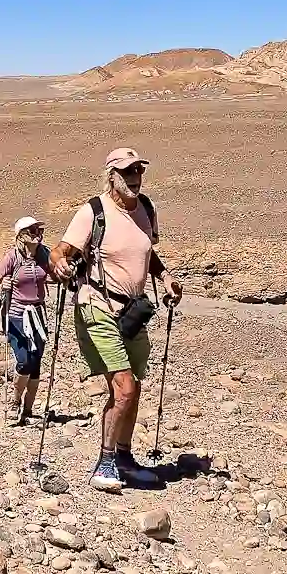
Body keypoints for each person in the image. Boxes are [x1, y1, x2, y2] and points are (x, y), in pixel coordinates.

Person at [51, 146, 182, 491]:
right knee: (122, 387)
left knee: (134, 386)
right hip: (97, 305)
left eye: (138, 171)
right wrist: (59, 264)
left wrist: (165, 276)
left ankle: (124, 458)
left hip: (133, 309)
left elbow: (146, 251)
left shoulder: (147, 209)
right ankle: (105, 462)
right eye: (127, 172)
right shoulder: (93, 211)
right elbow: (61, 251)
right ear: (112, 176)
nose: (135, 178)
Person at [0, 216, 50, 424]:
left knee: (35, 363)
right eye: (32, 230)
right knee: (24, 361)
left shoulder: (44, 254)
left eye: (38, 229)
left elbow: (55, 274)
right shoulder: (12, 257)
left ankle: (28, 411)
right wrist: (2, 284)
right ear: (21, 236)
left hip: (38, 314)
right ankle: (15, 401)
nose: (38, 233)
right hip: (17, 315)